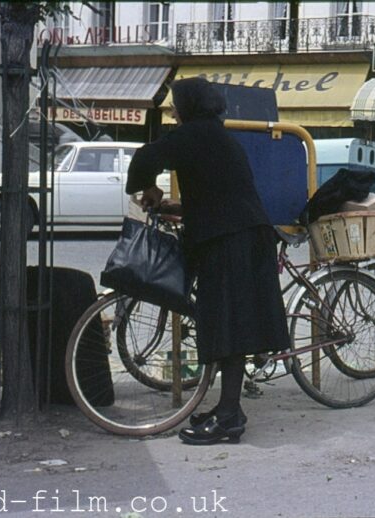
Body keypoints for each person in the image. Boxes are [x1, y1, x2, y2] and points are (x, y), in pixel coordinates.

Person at [125, 77, 289, 445]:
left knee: (230, 328)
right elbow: (218, 192)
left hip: (234, 241)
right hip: (239, 236)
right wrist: (176, 206)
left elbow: (144, 158)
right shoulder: (216, 135)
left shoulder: (195, 135)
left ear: (191, 106)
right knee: (229, 325)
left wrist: (149, 188)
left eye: (175, 104)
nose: (170, 110)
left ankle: (230, 416)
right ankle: (228, 407)